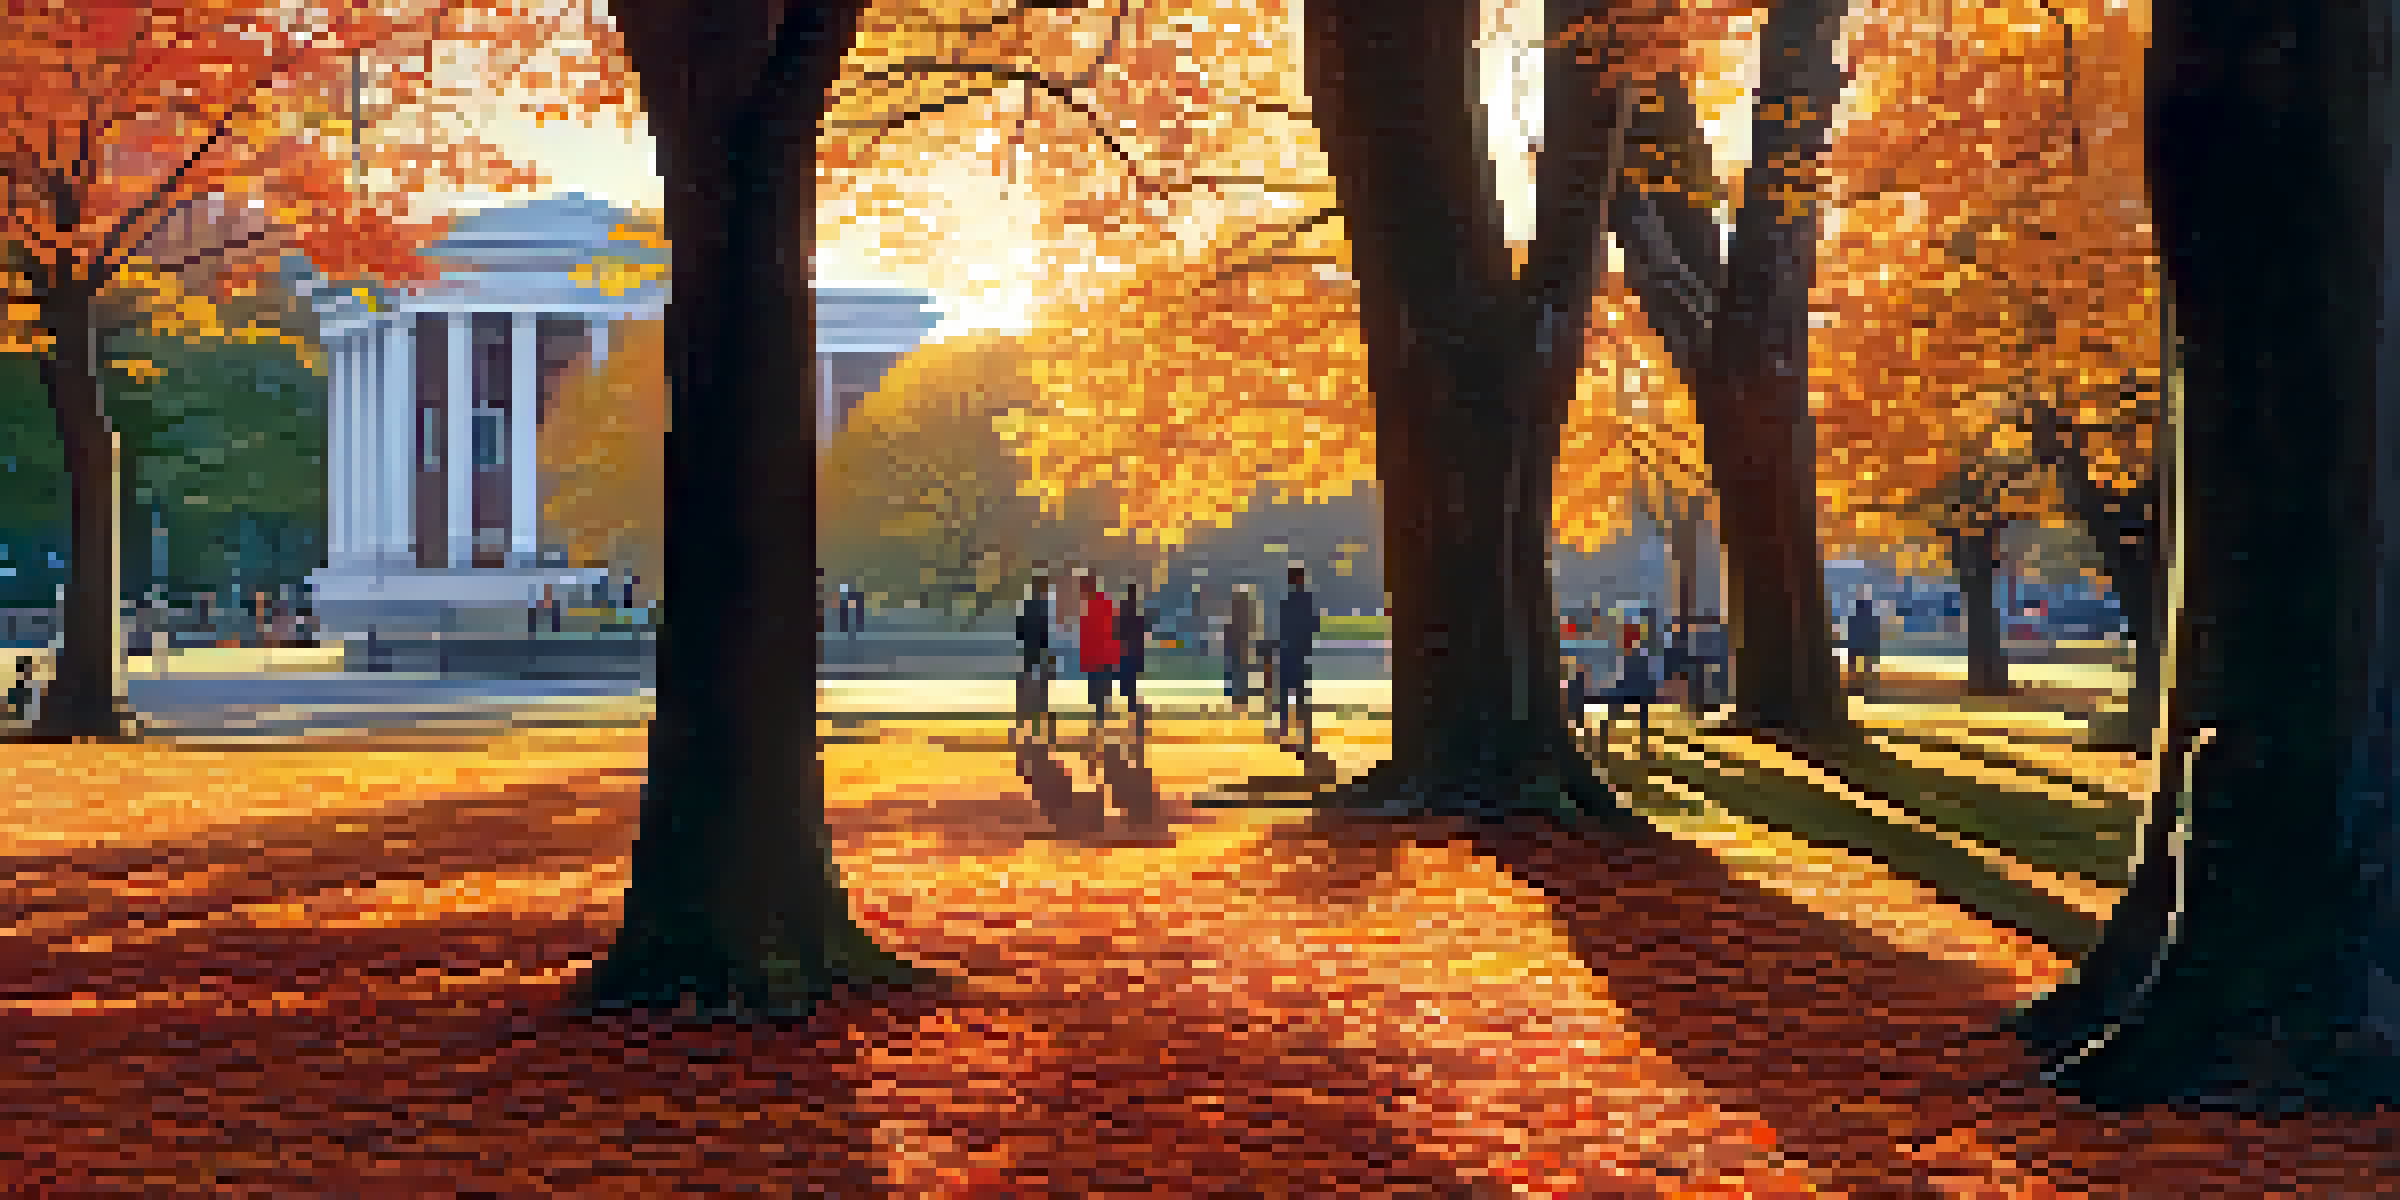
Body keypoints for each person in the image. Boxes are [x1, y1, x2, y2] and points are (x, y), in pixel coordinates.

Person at [1275, 565, 1318, 743]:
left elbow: (1282, 628)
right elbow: (1314, 627)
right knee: (1300, 693)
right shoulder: (1306, 601)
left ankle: (1286, 729)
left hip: (1290, 651)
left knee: (1288, 692)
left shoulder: (1286, 602)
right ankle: (1304, 730)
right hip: (1300, 652)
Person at [1077, 572, 1121, 731]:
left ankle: (1100, 721)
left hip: (1098, 655)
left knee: (1098, 691)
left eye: (1082, 587)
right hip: (1102, 655)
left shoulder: (1093, 606)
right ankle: (1101, 720)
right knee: (1101, 690)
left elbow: (1091, 634)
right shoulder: (1104, 603)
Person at [1016, 573, 1053, 740]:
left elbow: (1020, 629)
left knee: (1026, 682)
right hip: (1038, 649)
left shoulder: (1027, 605)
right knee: (1040, 684)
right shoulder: (1042, 607)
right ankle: (1038, 715)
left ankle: (1024, 716)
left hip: (1030, 649)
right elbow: (1044, 632)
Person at [1117, 582, 1149, 736]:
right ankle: (1135, 721)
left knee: (1127, 689)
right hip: (1132, 656)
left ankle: (1133, 720)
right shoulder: (1137, 618)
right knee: (1130, 690)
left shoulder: (1123, 617)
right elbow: (1140, 639)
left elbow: (1119, 637)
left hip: (1126, 656)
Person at [1225, 583, 1255, 712]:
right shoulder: (1242, 615)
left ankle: (1239, 701)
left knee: (1239, 674)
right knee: (1238, 674)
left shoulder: (1238, 614)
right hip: (1239, 648)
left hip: (1239, 648)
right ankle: (1238, 701)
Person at [1847, 592, 1882, 695]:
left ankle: (1858, 689)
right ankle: (1867, 690)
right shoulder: (1873, 619)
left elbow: (1852, 634)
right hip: (1866, 649)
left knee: (1858, 670)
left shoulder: (1853, 618)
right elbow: (1874, 636)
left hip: (1857, 649)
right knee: (1866, 670)